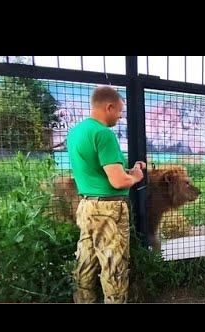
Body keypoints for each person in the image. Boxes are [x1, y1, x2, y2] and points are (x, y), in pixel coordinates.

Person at [66, 85, 145, 304]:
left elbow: (98, 172)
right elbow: (118, 181)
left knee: (85, 263)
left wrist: (128, 172)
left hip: (86, 207)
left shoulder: (76, 132)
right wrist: (136, 176)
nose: (120, 117)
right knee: (114, 268)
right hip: (108, 210)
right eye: (119, 111)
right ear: (109, 107)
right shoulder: (103, 134)